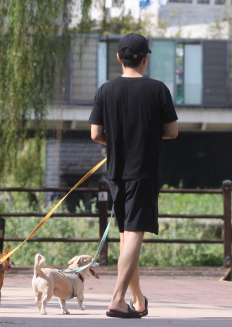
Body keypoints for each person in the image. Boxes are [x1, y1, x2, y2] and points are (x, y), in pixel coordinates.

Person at [88, 33, 178, 318]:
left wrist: (118, 142)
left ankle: (137, 298)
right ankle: (116, 299)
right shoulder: (158, 90)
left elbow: (96, 134)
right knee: (135, 234)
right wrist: (148, 137)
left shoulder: (105, 90)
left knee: (127, 237)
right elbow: (172, 131)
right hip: (143, 172)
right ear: (145, 59)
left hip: (116, 173)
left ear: (118, 58)